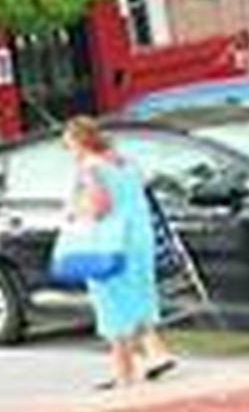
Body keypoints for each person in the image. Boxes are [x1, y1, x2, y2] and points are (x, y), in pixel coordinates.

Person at [61, 116, 177, 389]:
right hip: (138, 239)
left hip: (107, 243)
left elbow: (99, 207)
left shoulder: (90, 168)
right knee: (136, 296)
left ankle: (125, 374)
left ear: (81, 141)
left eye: (69, 146)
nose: (70, 153)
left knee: (111, 306)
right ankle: (148, 356)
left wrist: (74, 212)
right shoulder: (126, 163)